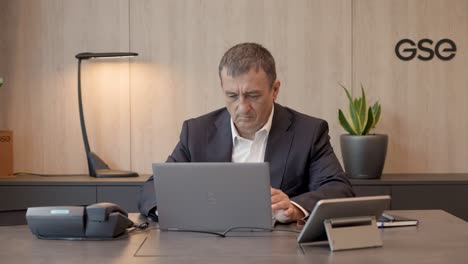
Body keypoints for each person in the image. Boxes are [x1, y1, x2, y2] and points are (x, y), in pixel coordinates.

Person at [139, 42, 354, 223]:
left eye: (252, 95)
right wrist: (174, 211)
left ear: (275, 90)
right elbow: (153, 189)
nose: (242, 107)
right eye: (232, 96)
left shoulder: (308, 132)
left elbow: (339, 190)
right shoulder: (196, 132)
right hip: (207, 246)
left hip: (281, 248)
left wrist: (295, 208)